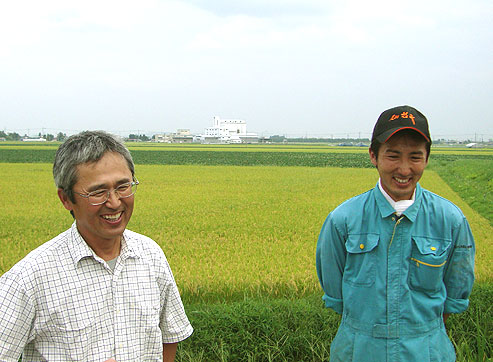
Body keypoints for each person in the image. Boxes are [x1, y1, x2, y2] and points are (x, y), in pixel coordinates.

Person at [0, 131, 193, 361]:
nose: (114, 202)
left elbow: (169, 336)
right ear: (65, 199)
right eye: (98, 192)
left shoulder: (151, 255)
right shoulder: (29, 279)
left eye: (123, 186)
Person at [316, 105, 475, 361]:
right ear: (373, 156)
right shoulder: (342, 220)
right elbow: (336, 296)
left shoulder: (451, 220)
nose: (403, 169)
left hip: (428, 352)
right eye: (393, 156)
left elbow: (455, 295)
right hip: (359, 351)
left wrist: (417, 331)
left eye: (414, 157)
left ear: (426, 159)